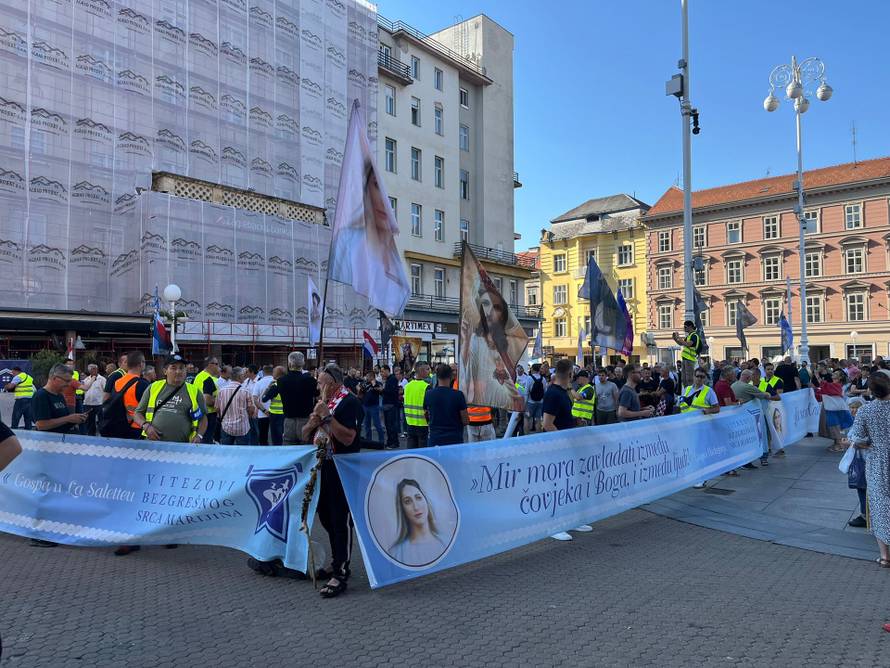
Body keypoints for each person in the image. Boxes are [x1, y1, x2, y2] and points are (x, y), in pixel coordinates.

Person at [125, 354, 208, 557]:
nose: (178, 371)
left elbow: (203, 417)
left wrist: (198, 435)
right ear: (165, 370)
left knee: (174, 493)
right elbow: (137, 412)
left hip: (181, 451)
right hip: (153, 450)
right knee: (148, 491)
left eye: (181, 368)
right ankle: (141, 532)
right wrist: (146, 425)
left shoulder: (193, 391)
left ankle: (171, 533)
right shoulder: (153, 388)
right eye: (173, 368)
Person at [300, 364, 364, 598]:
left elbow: (348, 438)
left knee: (340, 520)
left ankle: (341, 571)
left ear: (334, 383)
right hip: (321, 468)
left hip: (342, 470)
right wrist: (315, 421)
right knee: (325, 517)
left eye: (321, 383)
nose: (318, 386)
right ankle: (338, 560)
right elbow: (305, 434)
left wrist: (327, 417)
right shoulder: (322, 403)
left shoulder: (349, 403)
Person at [543, 358, 592, 540]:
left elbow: (563, 417)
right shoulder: (553, 394)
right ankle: (555, 525)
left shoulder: (564, 392)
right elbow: (547, 424)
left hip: (567, 444)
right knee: (557, 484)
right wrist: (564, 443)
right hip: (558, 447)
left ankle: (571, 520)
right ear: (570, 374)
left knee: (570, 483)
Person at [459, 281, 524, 412]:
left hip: (503, 399)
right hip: (481, 400)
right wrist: (465, 341)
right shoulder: (475, 340)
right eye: (485, 304)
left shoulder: (510, 342)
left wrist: (500, 371)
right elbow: (467, 371)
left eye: (495, 307)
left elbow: (510, 377)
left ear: (503, 312)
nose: (489, 311)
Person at [848, 373, 890, 568]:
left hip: (878, 462)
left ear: (871, 391)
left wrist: (869, 445)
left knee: (880, 506)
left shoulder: (866, 411)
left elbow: (856, 439)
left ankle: (885, 556)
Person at [389, 478, 447, 566]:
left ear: (426, 500)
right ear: (402, 509)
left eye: (418, 498)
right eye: (407, 501)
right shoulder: (395, 554)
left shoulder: (445, 542)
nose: (416, 507)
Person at [264, 352, 317, 445]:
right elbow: (318, 395)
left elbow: (265, 397)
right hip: (306, 421)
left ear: (289, 364)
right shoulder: (310, 380)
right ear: (303, 363)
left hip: (288, 421)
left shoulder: (281, 381)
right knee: (305, 450)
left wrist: (269, 387)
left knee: (289, 450)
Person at [731, 369, 772, 468]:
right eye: (750, 377)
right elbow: (764, 395)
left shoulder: (733, 385)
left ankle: (744, 461)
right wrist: (768, 394)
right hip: (751, 418)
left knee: (743, 440)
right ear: (748, 378)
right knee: (758, 437)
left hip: (738, 418)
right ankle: (762, 457)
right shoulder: (747, 387)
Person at [33, 364, 86, 434]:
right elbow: (41, 425)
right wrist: (69, 418)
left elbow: (63, 421)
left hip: (61, 440)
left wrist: (76, 419)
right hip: (48, 442)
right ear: (54, 378)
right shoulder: (41, 396)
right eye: (67, 381)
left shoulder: (60, 395)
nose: (69, 384)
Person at [106, 351, 149, 439]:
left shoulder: (118, 382)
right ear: (141, 364)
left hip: (119, 425)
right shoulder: (142, 384)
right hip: (137, 426)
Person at [423, 364, 468, 447]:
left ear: (437, 376)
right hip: (454, 439)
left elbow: (426, 415)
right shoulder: (458, 395)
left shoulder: (428, 394)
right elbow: (465, 420)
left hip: (435, 438)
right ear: (450, 376)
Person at [217, 368, 256, 445]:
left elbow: (217, 409)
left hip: (226, 427)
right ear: (239, 377)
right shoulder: (246, 391)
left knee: (226, 453)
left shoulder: (221, 391)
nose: (244, 377)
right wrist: (248, 417)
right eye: (243, 375)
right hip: (242, 427)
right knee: (242, 453)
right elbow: (251, 409)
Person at [193, 357, 220, 443]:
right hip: (209, 415)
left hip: (198, 413)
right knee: (206, 440)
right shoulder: (209, 379)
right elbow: (207, 400)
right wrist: (219, 402)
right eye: (217, 364)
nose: (218, 367)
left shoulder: (199, 376)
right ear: (210, 365)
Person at [404, 363, 431, 449]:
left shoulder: (407, 386)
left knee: (412, 452)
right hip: (423, 424)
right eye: (427, 369)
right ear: (421, 371)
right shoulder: (426, 387)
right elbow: (428, 407)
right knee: (423, 453)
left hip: (410, 423)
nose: (429, 371)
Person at [261, 366, 287, 445]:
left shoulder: (275, 385)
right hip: (286, 413)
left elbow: (264, 399)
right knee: (284, 435)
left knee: (276, 437)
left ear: (278, 373)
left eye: (274, 372)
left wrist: (268, 388)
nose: (272, 373)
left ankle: (278, 453)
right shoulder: (288, 384)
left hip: (275, 415)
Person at [672, 321, 701, 388]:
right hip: (685, 359)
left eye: (685, 327)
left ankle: (691, 391)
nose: (684, 329)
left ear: (690, 326)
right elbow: (681, 343)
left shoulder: (694, 335)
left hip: (690, 359)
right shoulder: (689, 336)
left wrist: (679, 337)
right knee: (684, 378)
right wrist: (675, 339)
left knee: (689, 378)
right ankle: (685, 391)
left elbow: (688, 344)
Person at [5, 365, 35, 430]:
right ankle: (29, 435)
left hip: (21, 401)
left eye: (13, 373)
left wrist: (6, 386)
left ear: (17, 371)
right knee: (28, 420)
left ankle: (14, 434)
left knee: (15, 419)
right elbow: (33, 389)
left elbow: (10, 387)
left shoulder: (18, 377)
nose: (13, 374)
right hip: (30, 400)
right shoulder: (29, 377)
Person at [359, 369, 385, 444]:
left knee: (377, 424)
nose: (366, 378)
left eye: (368, 376)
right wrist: (360, 389)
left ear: (372, 377)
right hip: (365, 406)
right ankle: (369, 441)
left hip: (374, 406)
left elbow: (381, 391)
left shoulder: (378, 383)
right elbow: (360, 393)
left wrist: (374, 384)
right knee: (367, 425)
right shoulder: (365, 383)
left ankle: (381, 441)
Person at [252, 365, 275, 445]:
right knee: (276, 436)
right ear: (272, 372)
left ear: (263, 372)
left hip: (262, 414)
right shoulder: (276, 382)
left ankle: (263, 452)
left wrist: (264, 410)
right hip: (276, 413)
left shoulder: (258, 383)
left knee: (263, 436)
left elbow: (255, 400)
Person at [380, 365, 400, 449]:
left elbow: (392, 392)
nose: (381, 373)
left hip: (391, 405)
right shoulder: (388, 380)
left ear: (388, 371)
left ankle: (394, 443)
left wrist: (382, 390)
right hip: (386, 405)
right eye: (381, 372)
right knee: (388, 425)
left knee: (391, 425)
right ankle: (389, 442)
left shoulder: (393, 379)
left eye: (382, 371)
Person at [523, 363, 547, 433]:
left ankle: (526, 436)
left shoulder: (529, 378)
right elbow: (545, 391)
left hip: (530, 403)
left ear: (532, 369)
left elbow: (526, 392)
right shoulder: (543, 379)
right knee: (538, 419)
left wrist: (524, 404)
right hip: (540, 403)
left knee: (526, 418)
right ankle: (538, 435)